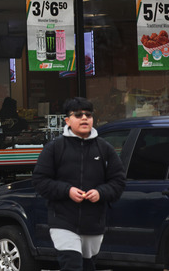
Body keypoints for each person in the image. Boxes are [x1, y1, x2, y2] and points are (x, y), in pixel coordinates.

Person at [30, 97, 126, 271]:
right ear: (67, 120)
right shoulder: (55, 148)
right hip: (62, 221)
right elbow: (40, 180)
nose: (84, 118)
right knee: (72, 264)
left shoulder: (105, 149)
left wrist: (100, 193)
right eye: (78, 115)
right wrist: (67, 191)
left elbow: (118, 182)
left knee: (87, 266)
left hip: (94, 222)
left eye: (88, 115)